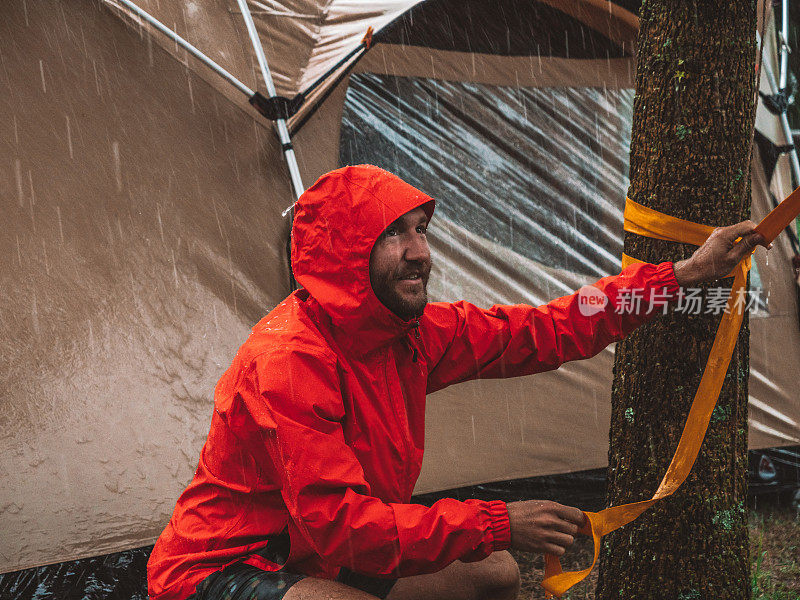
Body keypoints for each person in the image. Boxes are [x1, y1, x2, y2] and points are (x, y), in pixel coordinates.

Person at [147, 165, 768, 600]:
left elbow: (546, 330)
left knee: (494, 577)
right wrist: (497, 520)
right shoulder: (287, 360)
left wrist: (682, 274)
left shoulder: (406, 332)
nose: (420, 251)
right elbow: (344, 525)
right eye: (395, 233)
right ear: (344, 251)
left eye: (422, 229)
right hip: (221, 569)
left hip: (322, 558)